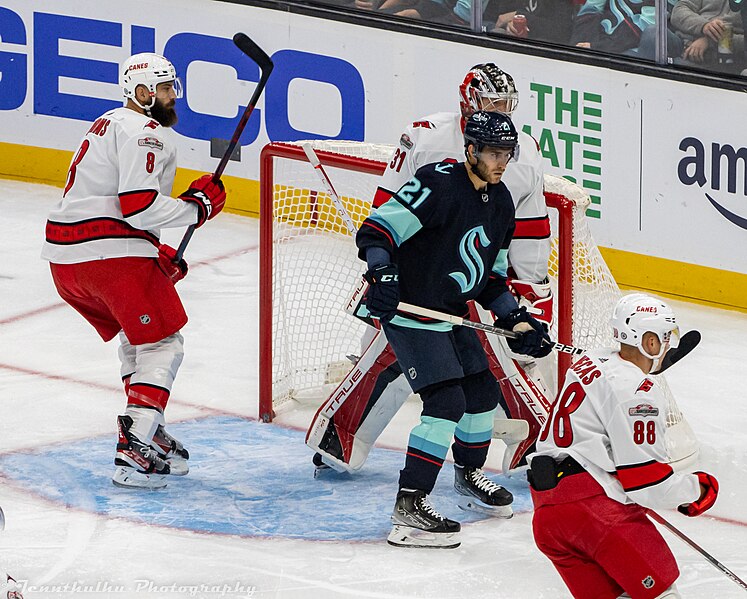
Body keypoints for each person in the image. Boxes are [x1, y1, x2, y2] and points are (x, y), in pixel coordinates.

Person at [307, 63, 552, 477]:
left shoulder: (521, 150)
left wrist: (523, 293)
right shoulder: (426, 135)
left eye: (505, 104)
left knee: (478, 367)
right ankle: (342, 437)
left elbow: (527, 225)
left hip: (471, 278)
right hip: (415, 279)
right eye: (491, 102)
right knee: (401, 359)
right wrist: (384, 269)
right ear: (468, 101)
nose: (499, 111)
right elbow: (388, 208)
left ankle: (341, 437)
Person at [356, 111, 552, 548]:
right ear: (470, 151)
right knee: (445, 401)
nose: (503, 161)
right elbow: (376, 231)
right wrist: (383, 273)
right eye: (494, 153)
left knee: (482, 394)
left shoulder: (501, 202)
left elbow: (490, 278)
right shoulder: (438, 183)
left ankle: (468, 475)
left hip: (450, 311)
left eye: (508, 153)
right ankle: (409, 506)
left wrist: (515, 318)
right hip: (409, 312)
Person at [41, 53, 226, 489]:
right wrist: (195, 208)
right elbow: (138, 205)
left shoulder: (106, 122)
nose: (170, 96)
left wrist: (154, 251)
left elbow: (115, 205)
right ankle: (134, 444)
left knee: (136, 336)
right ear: (141, 94)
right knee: (163, 344)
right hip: (107, 256)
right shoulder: (148, 132)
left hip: (66, 260)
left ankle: (147, 427)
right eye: (163, 89)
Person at [528, 293, 718, 597]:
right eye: (665, 338)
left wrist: (642, 365)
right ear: (651, 343)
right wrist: (698, 489)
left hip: (549, 517)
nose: (668, 345)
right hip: (596, 513)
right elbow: (648, 485)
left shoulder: (589, 362)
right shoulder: (638, 392)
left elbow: (610, 388)